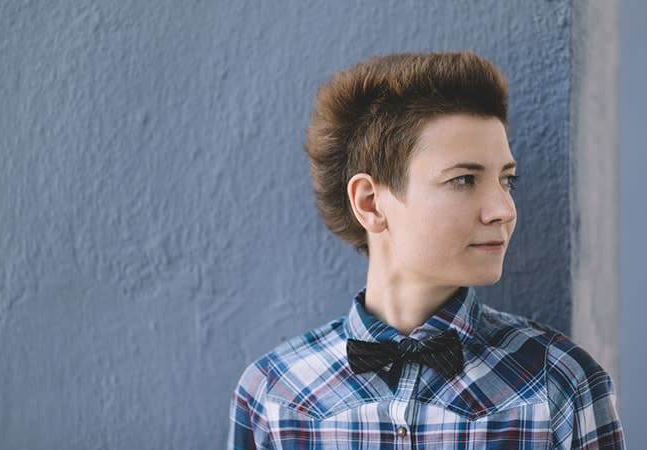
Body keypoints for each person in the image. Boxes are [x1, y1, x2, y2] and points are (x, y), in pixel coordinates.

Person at [228, 51, 625, 449]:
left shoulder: (560, 385)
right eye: (464, 179)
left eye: (507, 181)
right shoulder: (274, 398)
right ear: (370, 203)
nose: (504, 210)